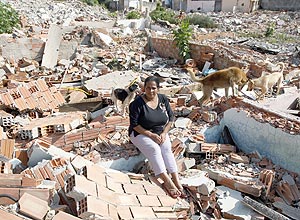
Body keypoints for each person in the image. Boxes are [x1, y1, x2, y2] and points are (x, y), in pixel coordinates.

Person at [128, 76, 186, 199]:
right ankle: (167, 181)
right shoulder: (137, 104)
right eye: (147, 88)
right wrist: (150, 135)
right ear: (144, 88)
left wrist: (164, 133)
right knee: (154, 149)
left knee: (166, 148)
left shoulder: (163, 99)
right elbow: (134, 125)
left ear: (158, 89)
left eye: (153, 88)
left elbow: (171, 118)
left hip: (160, 132)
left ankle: (176, 180)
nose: (150, 91)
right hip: (140, 133)